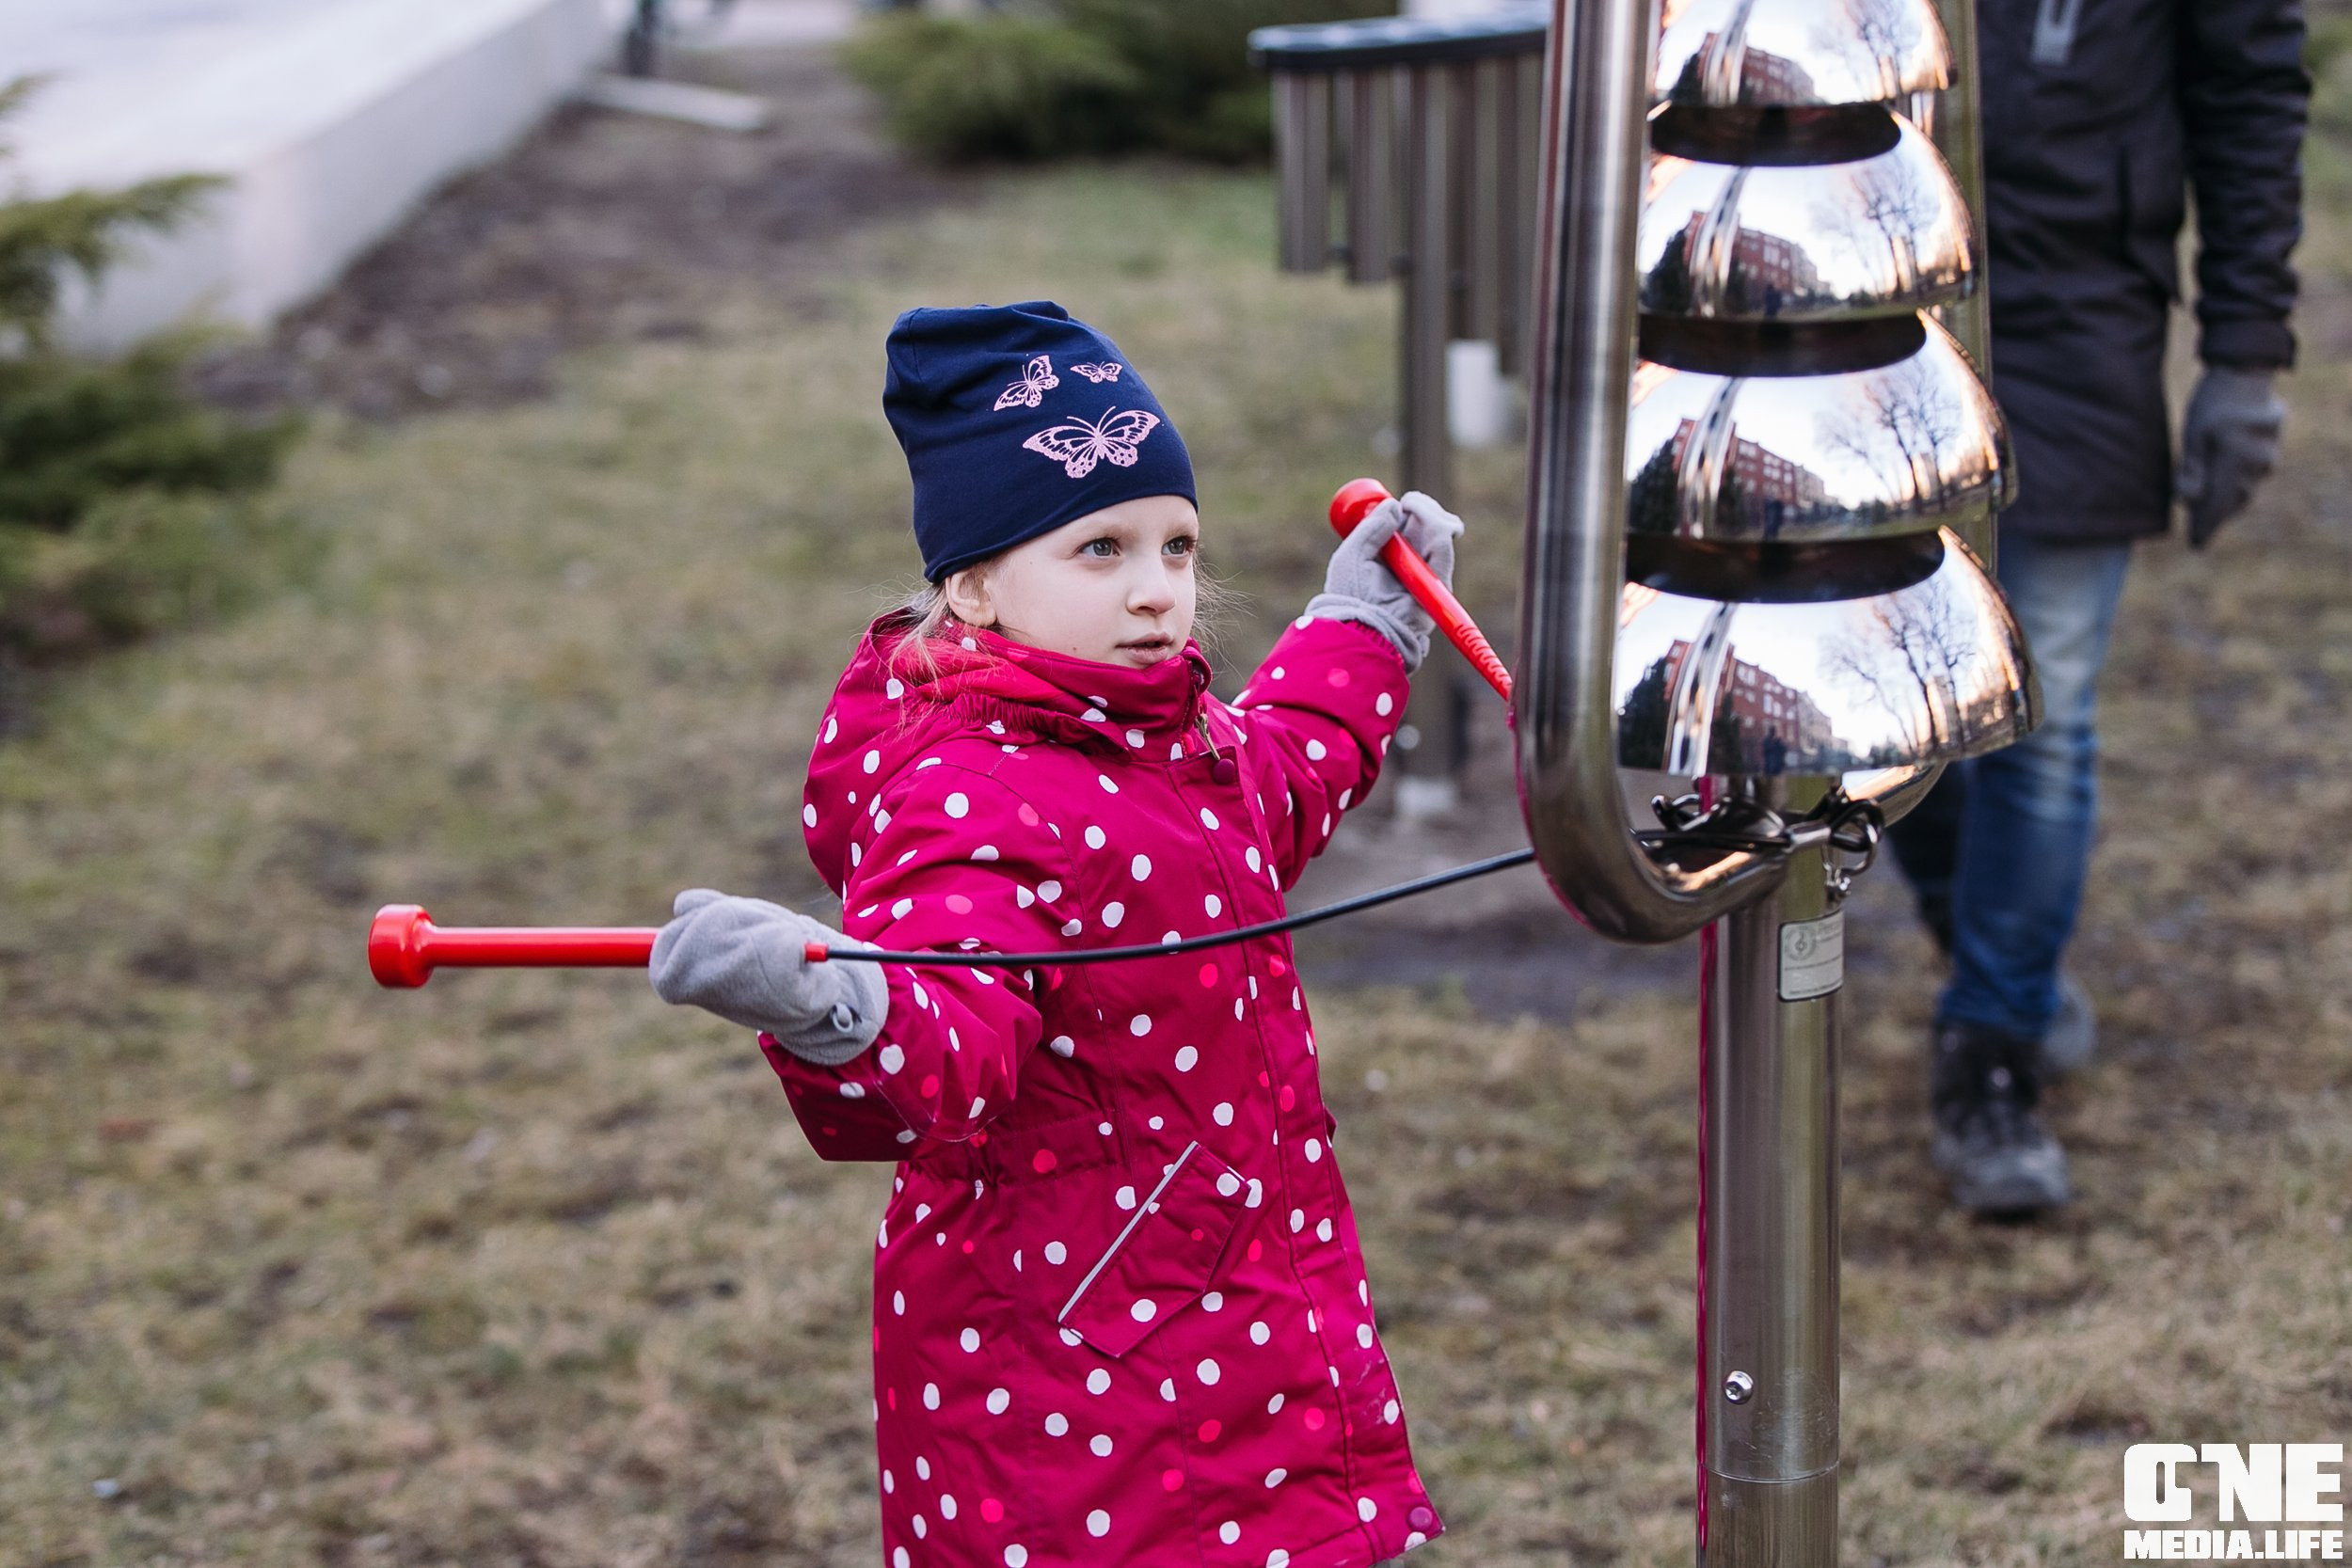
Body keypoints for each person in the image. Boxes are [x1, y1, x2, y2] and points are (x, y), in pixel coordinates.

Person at [645, 300, 1463, 1566]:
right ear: (974, 585)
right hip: (1073, 1377)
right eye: (1101, 550)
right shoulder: (963, 795)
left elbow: (1289, 770)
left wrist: (1368, 626)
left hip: (1241, 1311)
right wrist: (834, 1004)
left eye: (1177, 546)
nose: (1156, 590)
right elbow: (945, 1042)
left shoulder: (1177, 740)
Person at [1890, 0, 2307, 1215]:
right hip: (1861, 319)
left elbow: (2248, 92)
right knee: (1891, 711)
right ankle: (1996, 954)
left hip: (2081, 325)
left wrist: (2245, 355)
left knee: (2042, 706)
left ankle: (1991, 1057)